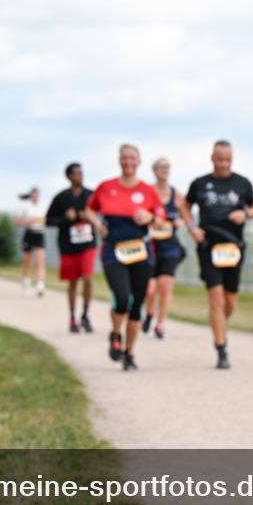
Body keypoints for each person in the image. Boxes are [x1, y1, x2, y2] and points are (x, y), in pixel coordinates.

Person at [83, 144, 167, 370]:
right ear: (119, 161)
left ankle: (129, 352)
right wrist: (98, 224)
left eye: (132, 158)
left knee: (137, 304)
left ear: (139, 162)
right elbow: (88, 209)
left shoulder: (148, 191)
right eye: (124, 158)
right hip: (113, 250)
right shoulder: (106, 187)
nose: (128, 162)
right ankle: (115, 334)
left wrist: (150, 217)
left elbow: (161, 221)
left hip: (140, 251)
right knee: (121, 297)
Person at [179, 140, 253, 369]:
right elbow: (184, 206)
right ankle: (221, 348)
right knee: (216, 299)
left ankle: (219, 325)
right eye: (220, 159)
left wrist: (245, 214)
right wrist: (192, 227)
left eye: (228, 159)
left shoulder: (242, 183)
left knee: (229, 303)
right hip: (208, 247)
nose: (224, 163)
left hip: (233, 248)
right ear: (212, 158)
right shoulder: (200, 183)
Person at [46, 162, 97, 333]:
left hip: (88, 244)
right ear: (68, 176)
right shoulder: (61, 198)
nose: (80, 176)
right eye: (76, 173)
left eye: (81, 173)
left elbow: (101, 215)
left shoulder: (91, 195)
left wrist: (88, 217)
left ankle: (86, 315)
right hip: (68, 246)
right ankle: (72, 317)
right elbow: (49, 220)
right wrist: (66, 219)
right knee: (73, 282)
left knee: (88, 278)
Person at [142, 157, 187, 339]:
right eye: (161, 167)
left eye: (167, 167)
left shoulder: (177, 195)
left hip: (170, 246)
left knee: (165, 288)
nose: (165, 170)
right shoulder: (147, 192)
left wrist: (181, 221)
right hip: (151, 247)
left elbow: (187, 216)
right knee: (150, 290)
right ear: (154, 170)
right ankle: (150, 312)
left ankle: (160, 324)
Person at [15, 187, 47, 297]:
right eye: (33, 194)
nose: (35, 196)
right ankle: (25, 279)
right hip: (29, 233)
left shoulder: (43, 206)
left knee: (40, 260)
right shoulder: (25, 206)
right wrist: (27, 221)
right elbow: (16, 221)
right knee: (27, 260)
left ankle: (40, 285)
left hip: (39, 233)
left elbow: (46, 219)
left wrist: (40, 220)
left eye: (37, 194)